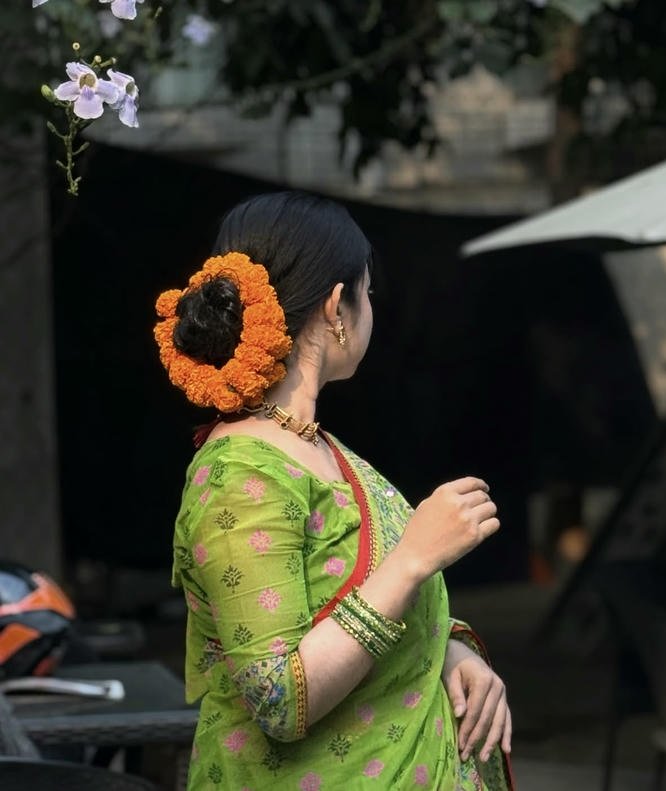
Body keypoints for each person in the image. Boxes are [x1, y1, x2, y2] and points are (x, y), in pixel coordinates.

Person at [156, 191, 514, 790]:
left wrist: (447, 653)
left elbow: (342, 596)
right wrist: (414, 559)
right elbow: (279, 699)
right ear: (335, 306)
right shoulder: (241, 475)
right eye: (367, 292)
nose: (371, 307)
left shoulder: (314, 447)